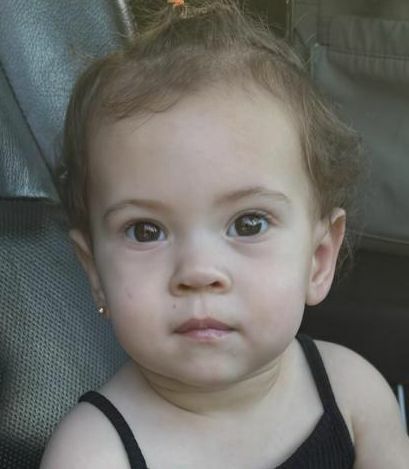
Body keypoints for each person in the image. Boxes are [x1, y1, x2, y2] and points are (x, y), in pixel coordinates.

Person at [40, 1, 409, 467]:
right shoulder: (93, 454)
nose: (198, 272)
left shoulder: (354, 395)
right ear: (95, 272)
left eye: (248, 224)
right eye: (146, 231)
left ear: (318, 259)